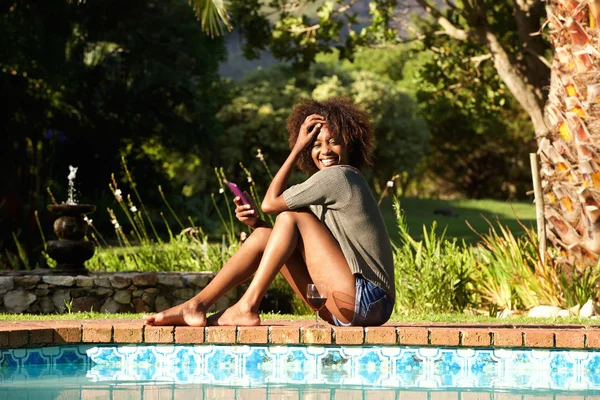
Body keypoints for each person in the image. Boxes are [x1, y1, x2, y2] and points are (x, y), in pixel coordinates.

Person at [143, 97, 395, 327]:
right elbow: (291, 241)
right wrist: (256, 223)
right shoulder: (325, 189)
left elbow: (270, 203)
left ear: (351, 145)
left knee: (289, 215)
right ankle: (196, 305)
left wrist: (296, 148)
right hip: (343, 306)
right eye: (315, 144)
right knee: (266, 235)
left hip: (369, 298)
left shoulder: (342, 176)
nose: (325, 151)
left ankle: (247, 305)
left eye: (334, 142)